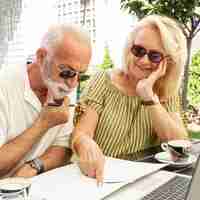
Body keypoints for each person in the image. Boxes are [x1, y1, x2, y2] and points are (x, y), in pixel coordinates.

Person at [71, 15, 188, 183]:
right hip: (98, 178)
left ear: (168, 62)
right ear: (129, 48)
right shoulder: (103, 81)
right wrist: (83, 143)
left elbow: (179, 144)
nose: (143, 60)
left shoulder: (165, 91)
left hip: (140, 181)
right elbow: (81, 133)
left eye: (154, 56)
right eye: (139, 50)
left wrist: (149, 98)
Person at [0, 24, 91, 178]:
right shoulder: (5, 86)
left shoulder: (59, 85)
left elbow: (62, 147)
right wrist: (44, 122)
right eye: (67, 72)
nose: (73, 84)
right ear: (42, 57)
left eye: (80, 75)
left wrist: (35, 166)